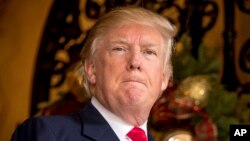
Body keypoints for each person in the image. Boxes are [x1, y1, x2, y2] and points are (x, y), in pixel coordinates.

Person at [11, 6, 176, 141]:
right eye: (119, 49)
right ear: (91, 69)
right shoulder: (47, 134)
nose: (135, 62)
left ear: (164, 78)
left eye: (149, 52)